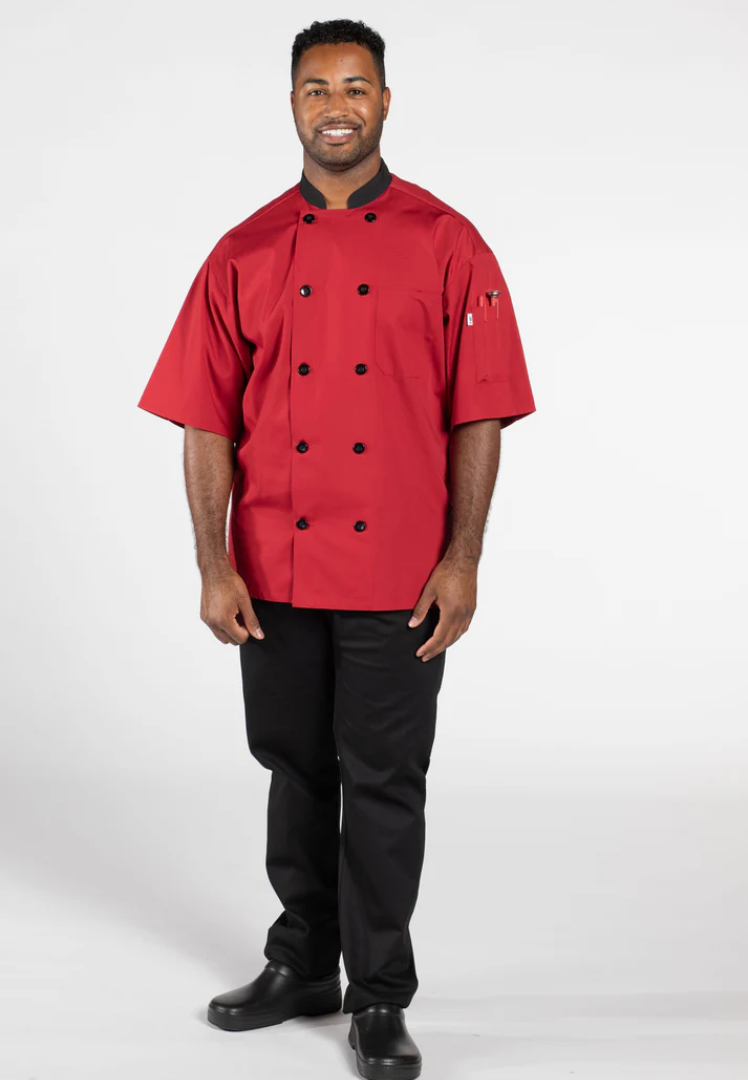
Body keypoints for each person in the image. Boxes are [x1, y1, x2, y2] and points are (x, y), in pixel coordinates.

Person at [137, 18, 536, 1080]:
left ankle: (381, 995)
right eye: (317, 88)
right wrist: (213, 564)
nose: (336, 106)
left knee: (385, 781)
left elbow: (481, 411)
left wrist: (463, 558)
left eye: (356, 86)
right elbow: (204, 419)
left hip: (401, 571)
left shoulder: (449, 241)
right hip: (273, 565)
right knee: (294, 768)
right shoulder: (244, 249)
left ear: (386, 101)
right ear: (292, 105)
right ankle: (305, 962)